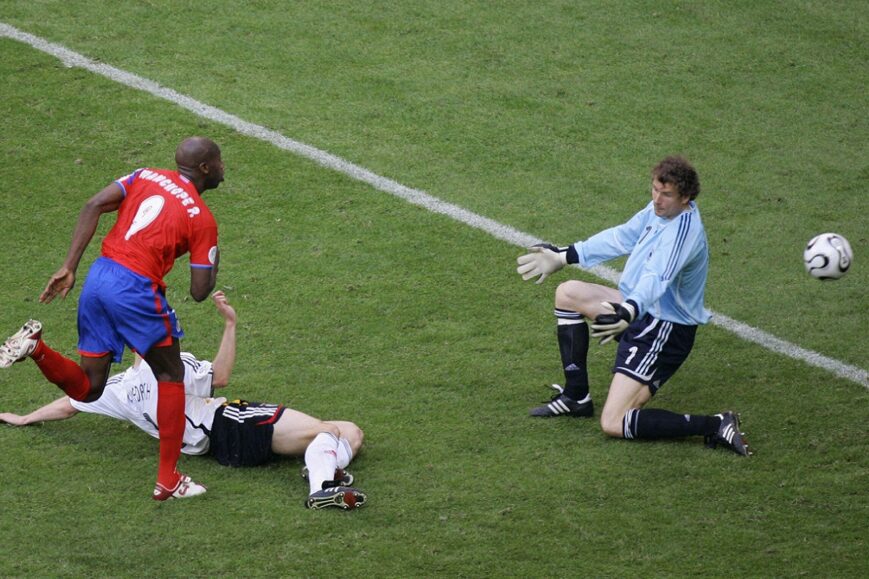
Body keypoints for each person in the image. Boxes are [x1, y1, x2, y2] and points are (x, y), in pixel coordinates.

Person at [0, 137, 226, 500]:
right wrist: (213, 258)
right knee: (171, 374)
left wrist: (69, 266)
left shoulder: (145, 174)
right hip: (135, 289)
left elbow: (93, 204)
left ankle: (37, 348)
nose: (222, 167)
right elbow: (200, 291)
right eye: (218, 162)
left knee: (89, 388)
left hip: (99, 277)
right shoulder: (202, 218)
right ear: (204, 168)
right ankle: (168, 478)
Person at [0, 292, 368, 510]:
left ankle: (319, 468)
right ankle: (321, 489)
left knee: (350, 433)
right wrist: (230, 325)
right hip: (229, 422)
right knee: (329, 430)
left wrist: (24, 418)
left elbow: (70, 404)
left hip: (223, 440)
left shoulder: (121, 388)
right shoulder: (172, 366)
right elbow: (220, 377)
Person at [516, 156, 750, 456]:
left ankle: (716, 425)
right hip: (639, 311)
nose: (657, 200)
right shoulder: (659, 212)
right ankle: (576, 397)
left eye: (666, 195)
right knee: (568, 293)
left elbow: (658, 278)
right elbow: (622, 236)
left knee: (613, 422)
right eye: (654, 190)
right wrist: (564, 256)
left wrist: (629, 311)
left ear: (686, 197)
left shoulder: (683, 233)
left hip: (664, 330)